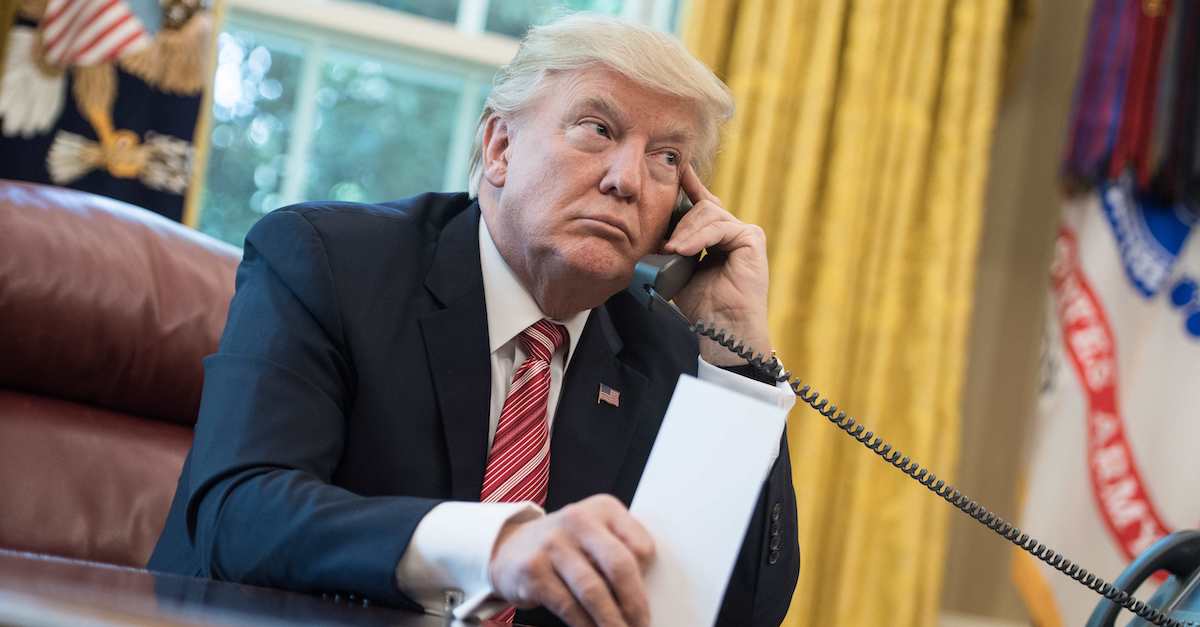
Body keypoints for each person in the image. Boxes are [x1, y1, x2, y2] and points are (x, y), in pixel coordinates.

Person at [149, 13, 799, 627]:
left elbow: (739, 612)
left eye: (666, 159)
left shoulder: (658, 346)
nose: (627, 180)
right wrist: (493, 545)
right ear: (500, 147)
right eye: (598, 129)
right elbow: (239, 516)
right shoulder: (329, 262)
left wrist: (738, 361)